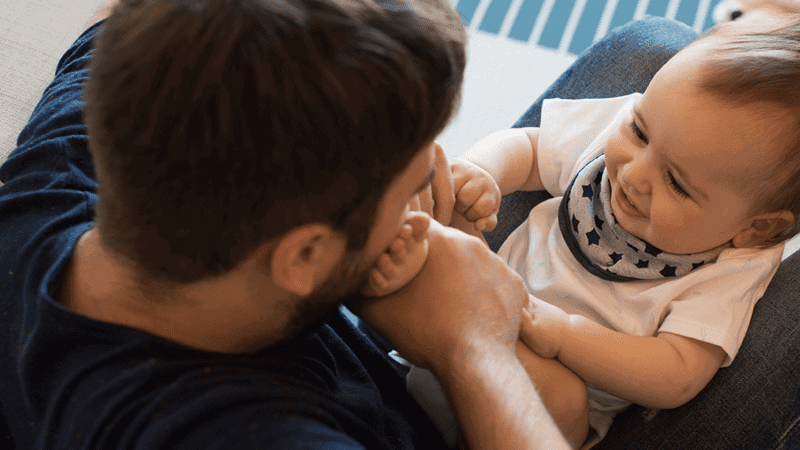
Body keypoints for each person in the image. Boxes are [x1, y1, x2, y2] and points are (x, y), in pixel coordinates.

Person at [1, 1, 799, 450]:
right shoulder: (242, 433)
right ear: (307, 255)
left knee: (660, 51)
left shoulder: (56, 171)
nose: (437, 175)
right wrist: (475, 351)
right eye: (413, 171)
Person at [371, 14, 800, 450]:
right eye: (638, 131)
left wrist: (563, 334)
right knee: (454, 210)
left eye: (676, 183)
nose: (632, 174)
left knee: (561, 394)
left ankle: (404, 291)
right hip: (475, 300)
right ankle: (395, 285)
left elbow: (678, 372)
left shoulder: (733, 268)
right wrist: (482, 172)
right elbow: (531, 147)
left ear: (756, 227)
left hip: (543, 405)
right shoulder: (660, 130)